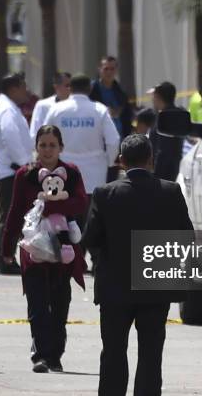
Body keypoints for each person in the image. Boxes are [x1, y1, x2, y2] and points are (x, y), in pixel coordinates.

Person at [82, 134, 194, 396]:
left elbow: (90, 239)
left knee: (113, 351)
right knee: (151, 354)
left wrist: (106, 259)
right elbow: (187, 236)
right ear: (151, 159)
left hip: (114, 287)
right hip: (156, 285)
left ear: (121, 160)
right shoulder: (170, 191)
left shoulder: (105, 193)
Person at [2, 125, 88, 373]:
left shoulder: (71, 173)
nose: (47, 150)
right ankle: (40, 354)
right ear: (36, 147)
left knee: (60, 305)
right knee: (38, 305)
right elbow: (16, 211)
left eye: (52, 145)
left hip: (63, 249)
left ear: (61, 147)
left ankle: (55, 355)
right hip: (34, 248)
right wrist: (6, 247)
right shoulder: (24, 174)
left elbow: (80, 203)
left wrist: (50, 207)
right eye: (43, 145)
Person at [43, 74, 120, 268]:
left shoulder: (57, 109)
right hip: (95, 171)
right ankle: (95, 259)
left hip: (64, 171)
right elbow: (113, 140)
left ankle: (71, 258)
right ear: (89, 89)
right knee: (93, 217)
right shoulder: (100, 111)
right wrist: (110, 162)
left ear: (70, 88)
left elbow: (43, 136)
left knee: (67, 217)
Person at [0, 73, 33, 274]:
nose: (26, 91)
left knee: (8, 216)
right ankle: (5, 260)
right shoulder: (7, 111)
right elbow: (11, 139)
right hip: (11, 171)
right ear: (13, 89)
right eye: (23, 87)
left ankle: (3, 258)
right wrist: (26, 165)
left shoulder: (8, 108)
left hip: (8, 170)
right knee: (10, 218)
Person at [148, 81, 189, 182]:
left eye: (153, 96)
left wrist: (155, 172)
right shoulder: (179, 113)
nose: (152, 99)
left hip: (163, 172)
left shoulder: (164, 118)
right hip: (175, 167)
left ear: (158, 97)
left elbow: (163, 149)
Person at [89, 56, 133, 140]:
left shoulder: (121, 92)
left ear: (116, 70)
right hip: (97, 140)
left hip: (118, 140)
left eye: (112, 69)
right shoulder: (90, 90)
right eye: (106, 69)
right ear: (99, 69)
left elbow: (127, 117)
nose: (109, 72)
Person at [29, 72, 72, 141]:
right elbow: (35, 132)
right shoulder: (43, 105)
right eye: (67, 85)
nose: (70, 89)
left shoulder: (75, 107)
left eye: (72, 86)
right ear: (56, 86)